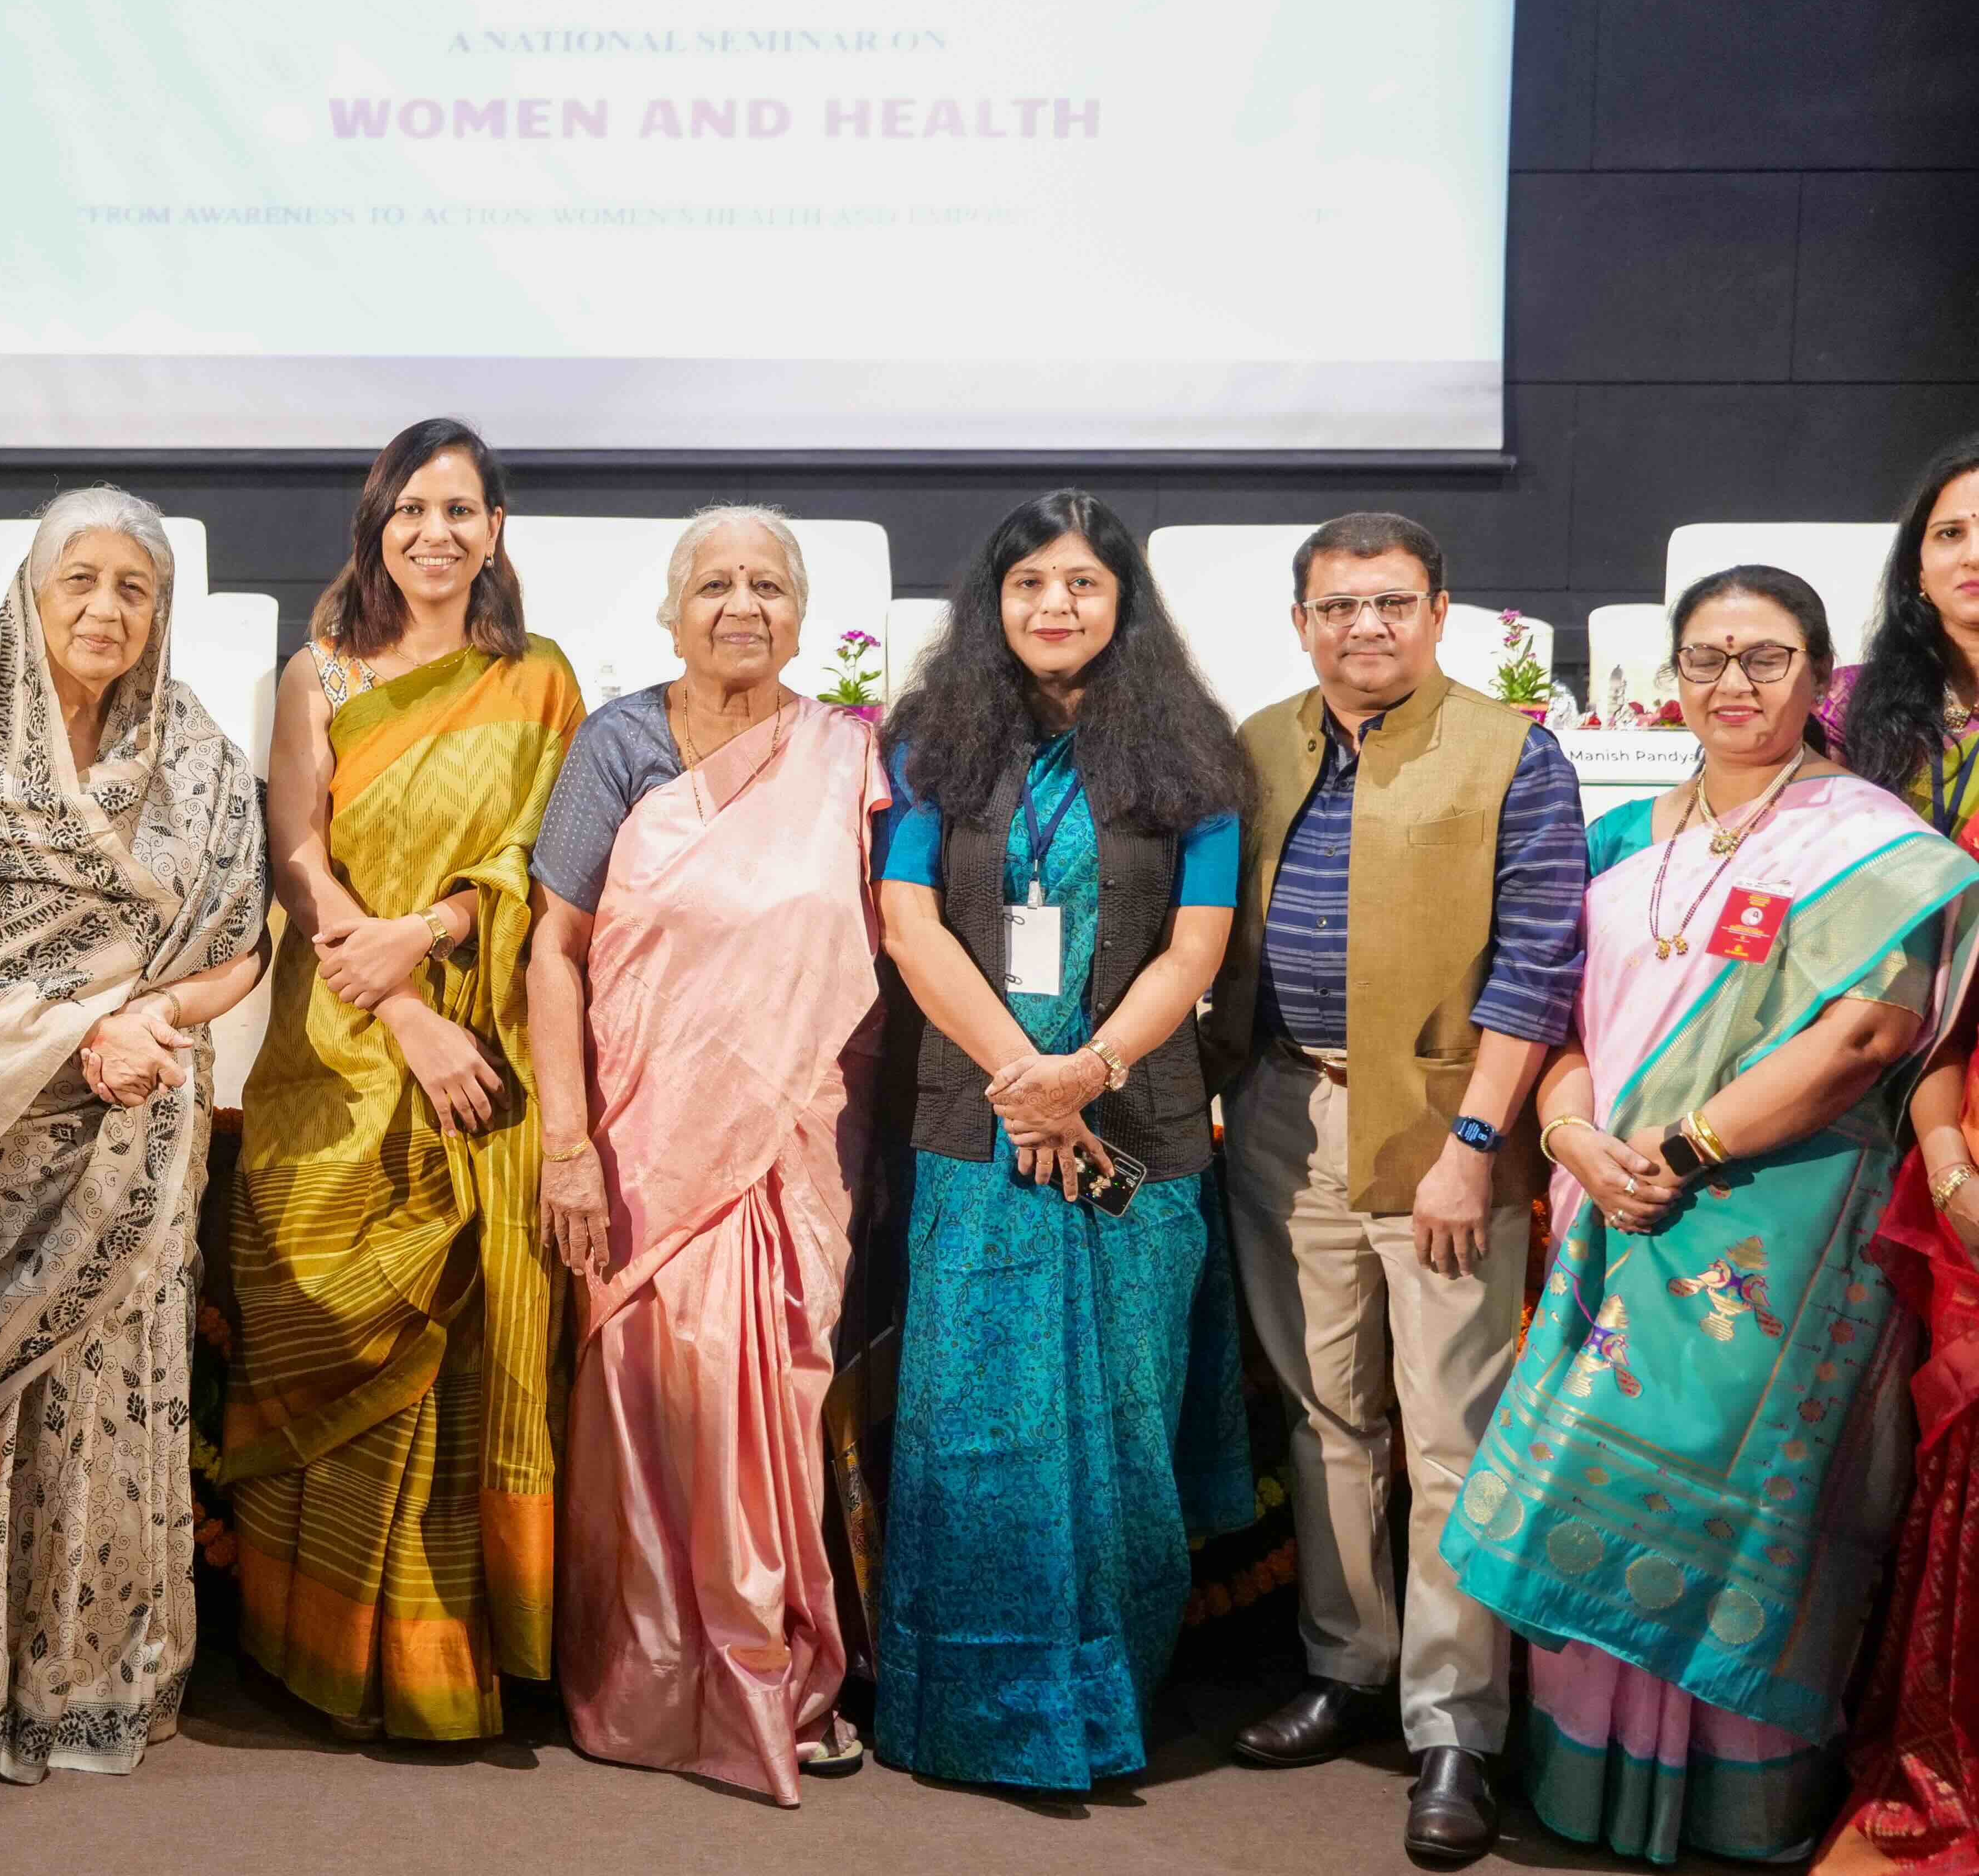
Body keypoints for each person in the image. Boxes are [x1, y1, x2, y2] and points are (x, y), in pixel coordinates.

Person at [1448, 565, 1978, 1869]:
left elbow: (1868, 1035)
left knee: (1751, 1504)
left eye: (1766, 657)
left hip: (1776, 1224)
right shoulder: (1622, 838)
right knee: (1595, 1475)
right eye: (1708, 657)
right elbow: (1556, 1019)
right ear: (1668, 679)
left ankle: (1741, 1801)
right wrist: (1575, 1136)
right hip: (1612, 1208)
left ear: (1817, 676)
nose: (1733, 682)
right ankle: (1582, 1785)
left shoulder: (1879, 847)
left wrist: (1683, 1146)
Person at [1199, 509, 1590, 1863]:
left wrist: (1478, 1147)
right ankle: (1346, 1662)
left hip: (1442, 1132)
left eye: (1392, 603)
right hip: (1279, 1115)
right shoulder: (1258, 742)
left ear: (1440, 611)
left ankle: (1454, 1723)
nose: (1365, 627)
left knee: (1451, 1433)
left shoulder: (1512, 753)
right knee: (1323, 1414)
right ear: (1301, 620)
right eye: (1337, 606)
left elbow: (1540, 960)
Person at [871, 487, 1258, 1795]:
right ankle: (970, 1709)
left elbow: (1197, 947)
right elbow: (909, 924)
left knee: (1122, 1423)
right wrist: (1023, 1080)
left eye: (1084, 583)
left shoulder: (1193, 753)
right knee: (971, 1417)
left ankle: (1108, 1701)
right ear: (994, 603)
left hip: (1135, 1127)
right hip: (975, 1126)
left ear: (1123, 603)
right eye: (1031, 582)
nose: (1056, 604)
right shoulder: (933, 740)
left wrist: (1086, 1071)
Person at [0, 488, 267, 1781]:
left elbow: (243, 944)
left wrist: (144, 1013)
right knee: (0, 1400)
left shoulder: (205, 756)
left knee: (127, 1398)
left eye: (134, 588)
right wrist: (80, 1033)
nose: (106, 609)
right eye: (81, 582)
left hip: (149, 1116)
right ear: (32, 596)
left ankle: (112, 1679)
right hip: (9, 1141)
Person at [218, 415, 582, 1742]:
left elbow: (548, 858)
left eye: (463, 509)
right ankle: (308, 1646)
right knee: (318, 1292)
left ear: (497, 529)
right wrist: (385, 985)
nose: (437, 531)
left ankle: (448, 1664)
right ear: (378, 524)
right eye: (412, 508)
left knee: (469, 1346)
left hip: (485, 1029)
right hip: (340, 1033)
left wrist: (427, 948)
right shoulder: (316, 671)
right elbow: (296, 847)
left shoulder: (539, 678)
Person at [529, 505, 887, 1805]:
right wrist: (568, 1144)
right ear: (672, 611)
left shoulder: (849, 754)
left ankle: (786, 1673)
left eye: (770, 584)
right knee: (652, 1407)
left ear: (801, 613)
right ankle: (648, 1679)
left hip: (791, 1143)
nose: (744, 604)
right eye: (716, 583)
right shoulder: (618, 741)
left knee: (777, 1405)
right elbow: (554, 948)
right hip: (639, 1142)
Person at [1820, 435, 1979, 1876]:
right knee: (1898, 1452)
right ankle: (1908, 1745)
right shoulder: (1873, 725)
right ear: (1916, 561)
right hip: (1883, 1124)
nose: (1978, 559)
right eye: (1953, 534)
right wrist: (1936, 1137)